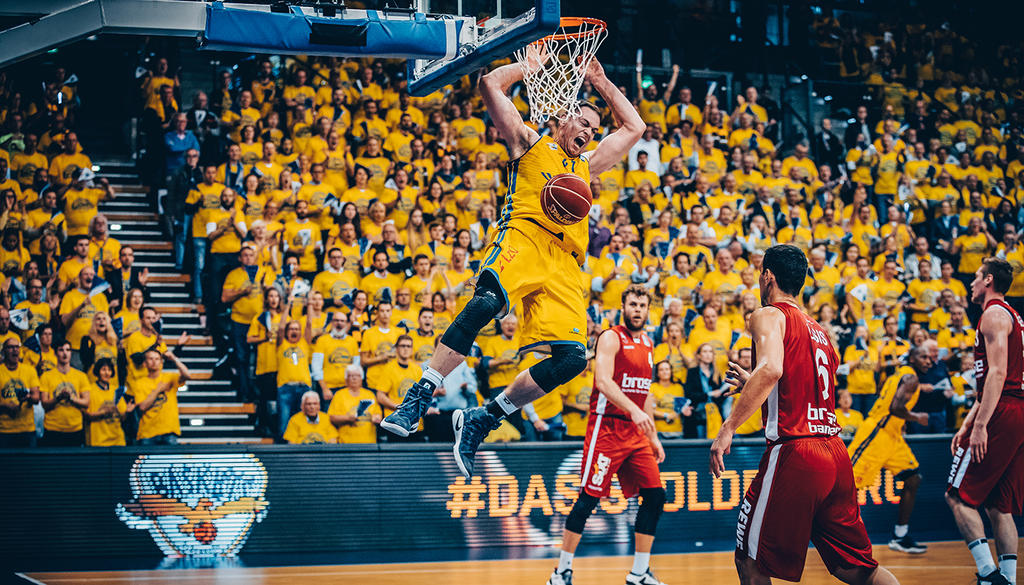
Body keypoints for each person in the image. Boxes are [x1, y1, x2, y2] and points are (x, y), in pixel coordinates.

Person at [381, 55, 644, 479]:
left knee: (573, 359)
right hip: (523, 238)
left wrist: (601, 79)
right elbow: (489, 85)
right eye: (582, 123)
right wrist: (534, 64)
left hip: (564, 264)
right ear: (562, 117)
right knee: (486, 304)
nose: (587, 132)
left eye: (593, 130)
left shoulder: (586, 165)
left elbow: (635, 128)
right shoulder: (529, 142)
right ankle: (418, 396)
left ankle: (482, 419)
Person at [711, 244, 897, 585]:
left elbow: (770, 370)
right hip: (835, 453)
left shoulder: (769, 314)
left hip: (797, 452)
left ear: (767, 276)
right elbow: (800, 381)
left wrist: (728, 427)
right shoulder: (821, 332)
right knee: (856, 569)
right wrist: (751, 384)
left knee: (749, 560)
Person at [546, 285, 666, 585]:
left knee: (655, 495)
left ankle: (639, 572)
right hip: (607, 428)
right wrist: (633, 411)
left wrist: (653, 434)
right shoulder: (611, 337)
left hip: (636, 433)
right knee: (588, 499)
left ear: (648, 309)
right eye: (633, 304)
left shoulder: (649, 344)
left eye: (642, 304)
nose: (637, 309)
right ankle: (561, 572)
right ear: (623, 307)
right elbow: (603, 380)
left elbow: (646, 394)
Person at [947, 258, 1024, 585]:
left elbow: (996, 373)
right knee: (998, 505)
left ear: (988, 280)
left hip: (1002, 410)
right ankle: (1007, 577)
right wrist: (967, 423)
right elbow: (988, 381)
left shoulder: (993, 314)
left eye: (976, 277)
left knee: (957, 496)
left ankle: (989, 575)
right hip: (1015, 410)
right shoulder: (1014, 317)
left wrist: (980, 427)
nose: (971, 283)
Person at [847, 345, 933, 554]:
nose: (928, 361)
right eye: (923, 357)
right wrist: (916, 417)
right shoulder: (911, 378)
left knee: (913, 478)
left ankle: (900, 536)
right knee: (846, 487)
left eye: (929, 358)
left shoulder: (901, 374)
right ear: (911, 358)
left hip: (893, 437)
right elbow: (895, 408)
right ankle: (832, 536)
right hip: (877, 433)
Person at [132, 347, 192, 445]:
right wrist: (158, 390)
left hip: (169, 431)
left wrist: (174, 359)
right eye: (150, 359)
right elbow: (142, 407)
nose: (154, 362)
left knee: (171, 460)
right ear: (144, 364)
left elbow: (187, 375)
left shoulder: (170, 377)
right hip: (148, 432)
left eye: (157, 359)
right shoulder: (139, 383)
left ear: (161, 362)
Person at [39, 341, 92, 447]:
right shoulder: (46, 376)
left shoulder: (81, 376)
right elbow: (44, 404)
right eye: (61, 350)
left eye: (68, 350)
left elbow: (86, 402)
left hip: (75, 428)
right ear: (55, 353)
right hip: (52, 428)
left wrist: (71, 398)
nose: (65, 353)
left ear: (71, 353)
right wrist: (58, 398)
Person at [0, 337, 40, 447]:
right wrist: (6, 406)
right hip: (4, 430)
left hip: (26, 429)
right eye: (11, 347)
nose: (15, 350)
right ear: (4, 352)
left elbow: (36, 398)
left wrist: (28, 398)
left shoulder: (29, 370)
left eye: (17, 347)